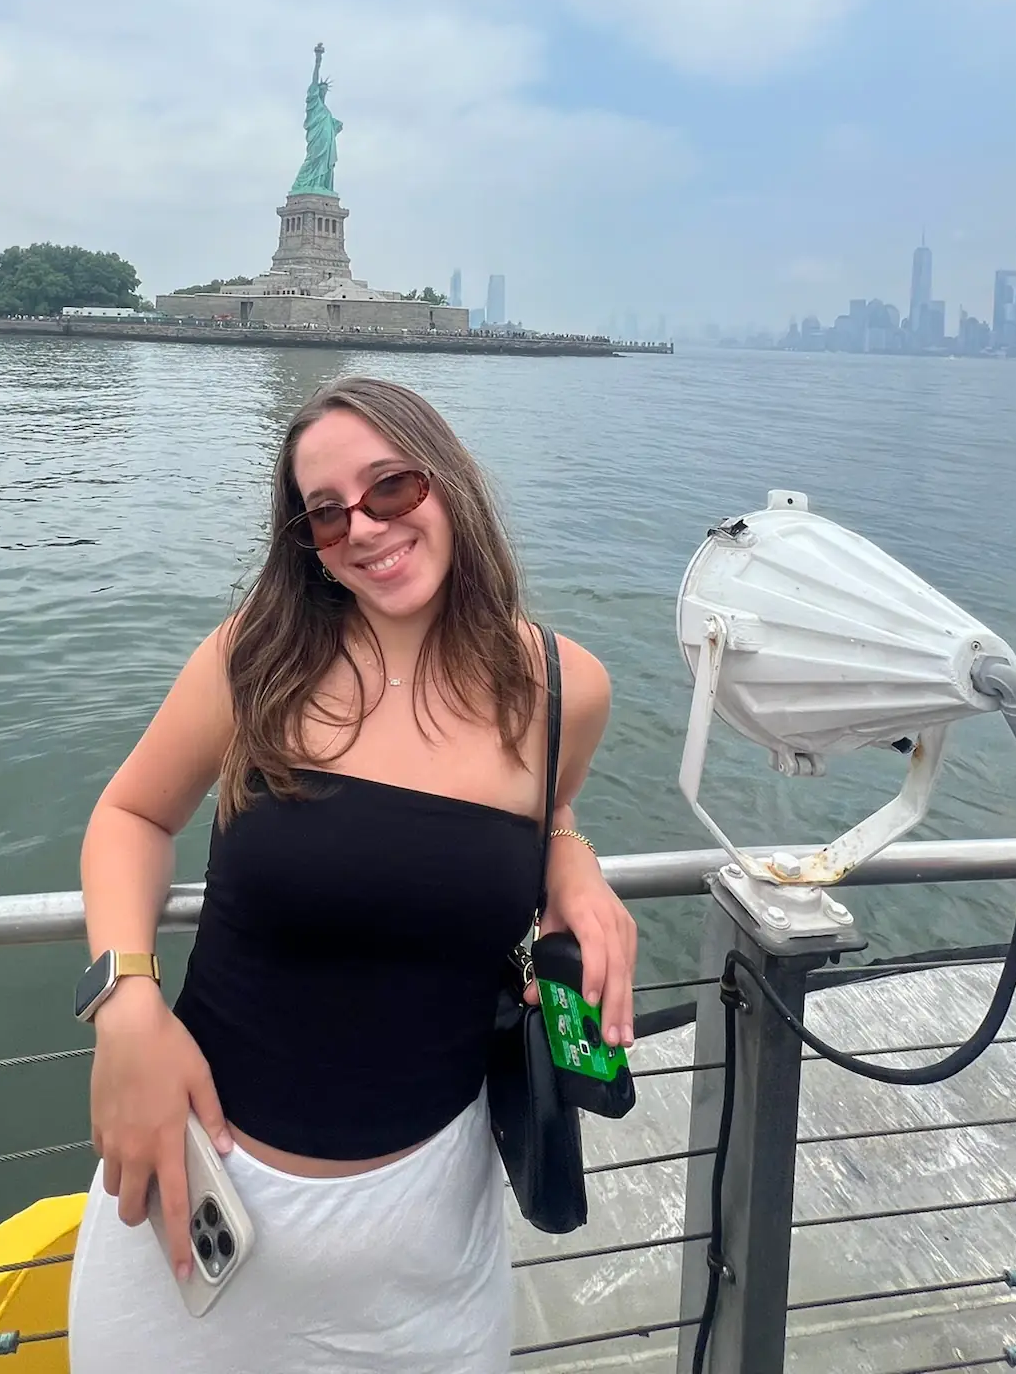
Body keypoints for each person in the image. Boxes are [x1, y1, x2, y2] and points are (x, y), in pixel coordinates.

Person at [68, 376, 637, 1372]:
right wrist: (126, 1002)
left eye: (391, 486)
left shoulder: (562, 687)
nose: (365, 526)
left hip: (424, 1239)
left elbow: (541, 806)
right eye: (326, 515)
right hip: (196, 1198)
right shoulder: (261, 655)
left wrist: (572, 863)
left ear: (450, 481)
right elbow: (132, 813)